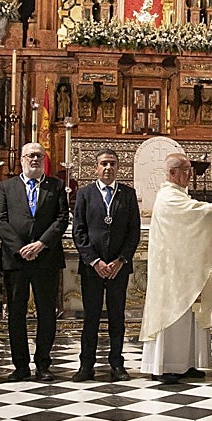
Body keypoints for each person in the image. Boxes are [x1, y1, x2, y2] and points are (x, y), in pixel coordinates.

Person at [140, 152, 212, 384]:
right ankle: (167, 365)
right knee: (174, 315)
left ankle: (187, 363)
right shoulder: (168, 197)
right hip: (171, 271)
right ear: (172, 173)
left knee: (190, 315)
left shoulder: (179, 195)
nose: (189, 175)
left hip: (186, 267)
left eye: (189, 169)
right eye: (185, 170)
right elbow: (199, 213)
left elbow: (197, 216)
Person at [0, 142, 68, 382]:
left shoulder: (55, 186)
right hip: (16, 260)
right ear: (22, 159)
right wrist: (20, 248)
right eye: (30, 156)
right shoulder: (7, 186)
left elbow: (61, 218)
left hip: (46, 258)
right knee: (16, 312)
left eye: (38, 156)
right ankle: (20, 365)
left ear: (44, 159)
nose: (34, 160)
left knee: (47, 312)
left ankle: (43, 363)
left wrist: (41, 244)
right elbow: (0, 220)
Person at [71, 148, 140, 382]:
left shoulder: (127, 194)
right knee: (90, 317)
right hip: (93, 267)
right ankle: (86, 365)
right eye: (104, 164)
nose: (108, 168)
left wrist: (121, 260)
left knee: (116, 316)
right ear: (96, 168)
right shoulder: (85, 194)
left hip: (118, 267)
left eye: (112, 164)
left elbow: (134, 232)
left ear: (118, 167)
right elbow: (79, 231)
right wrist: (94, 261)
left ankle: (117, 364)